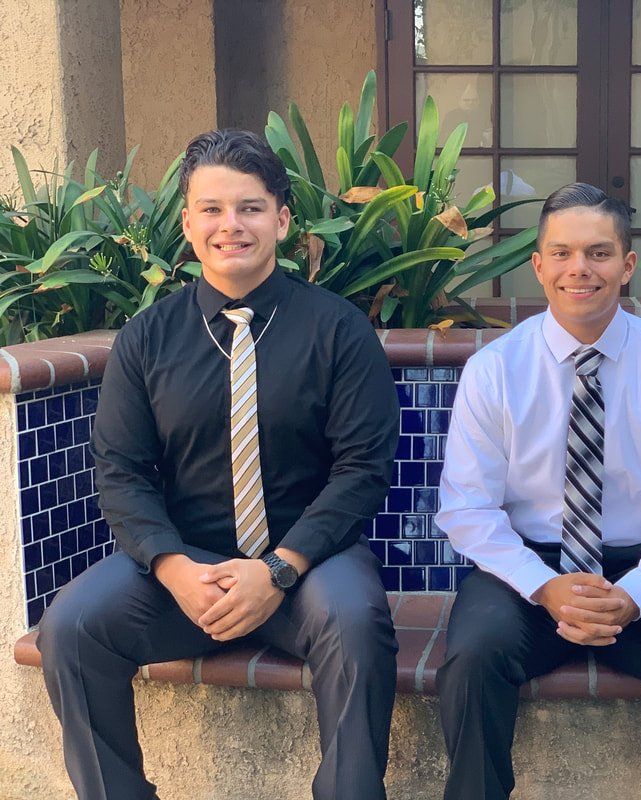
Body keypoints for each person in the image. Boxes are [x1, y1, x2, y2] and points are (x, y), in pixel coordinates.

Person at [36, 129, 400, 800]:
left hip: (308, 564)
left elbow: (363, 470)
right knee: (73, 628)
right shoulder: (149, 337)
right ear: (187, 223)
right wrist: (174, 569)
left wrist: (277, 570)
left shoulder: (337, 329)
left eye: (250, 208)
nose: (230, 225)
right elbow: (119, 471)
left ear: (283, 221)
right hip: (187, 570)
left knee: (355, 625)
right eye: (211, 209)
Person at [435, 182, 641, 800]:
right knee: (471, 658)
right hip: (527, 572)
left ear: (627, 267)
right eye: (564, 253)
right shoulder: (494, 369)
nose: (581, 269)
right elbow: (467, 507)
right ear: (539, 265)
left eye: (599, 253)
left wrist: (634, 594)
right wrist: (545, 586)